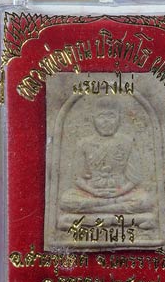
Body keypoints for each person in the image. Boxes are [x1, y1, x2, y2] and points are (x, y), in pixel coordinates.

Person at [60, 98, 155, 229]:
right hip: (93, 193)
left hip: (121, 194)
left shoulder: (127, 142)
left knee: (145, 200)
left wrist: (118, 193)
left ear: (119, 119)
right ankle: (129, 218)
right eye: (101, 116)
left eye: (111, 116)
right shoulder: (84, 144)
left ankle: (84, 218)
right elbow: (77, 178)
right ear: (93, 119)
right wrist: (93, 192)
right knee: (66, 200)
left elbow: (134, 179)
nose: (106, 121)